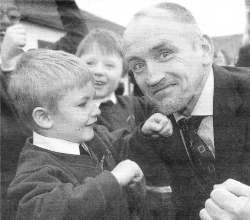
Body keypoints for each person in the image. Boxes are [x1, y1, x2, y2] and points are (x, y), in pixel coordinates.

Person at [2, 49, 173, 220]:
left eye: (94, 99)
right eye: (83, 104)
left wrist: (144, 135)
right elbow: (41, 212)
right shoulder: (35, 171)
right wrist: (113, 180)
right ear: (44, 117)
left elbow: (122, 146)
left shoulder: (95, 137)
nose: (96, 110)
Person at [122, 2, 250, 220]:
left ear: (204, 50)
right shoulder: (154, 118)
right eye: (138, 65)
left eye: (164, 53)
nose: (152, 78)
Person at [76, 28, 175, 220]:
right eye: (90, 63)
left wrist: (161, 122)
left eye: (109, 65)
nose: (98, 71)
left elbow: (165, 109)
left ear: (123, 73)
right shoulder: (71, 114)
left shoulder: (136, 105)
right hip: (100, 202)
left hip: (142, 201)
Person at [0, 0, 88, 207]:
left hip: (44, 178)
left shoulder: (33, 63)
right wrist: (3, 58)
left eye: (12, 16)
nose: (5, 21)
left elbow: (77, 38)